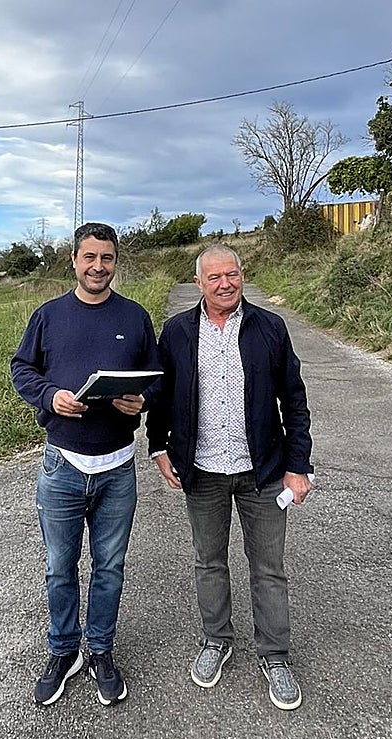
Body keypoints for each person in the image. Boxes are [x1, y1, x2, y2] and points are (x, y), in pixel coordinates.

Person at [145, 243, 314, 710]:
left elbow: (294, 402)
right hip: (202, 471)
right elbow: (161, 396)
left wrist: (299, 466)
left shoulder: (270, 328)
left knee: (268, 567)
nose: (226, 284)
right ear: (198, 283)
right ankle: (216, 640)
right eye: (215, 277)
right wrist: (158, 447)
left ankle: (274, 655)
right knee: (209, 562)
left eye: (233, 274)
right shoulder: (178, 332)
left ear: (242, 275)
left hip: (264, 473)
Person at [11, 222, 160, 707]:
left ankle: (100, 651)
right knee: (60, 567)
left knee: (110, 568)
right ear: (73, 260)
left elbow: (157, 379)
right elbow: (22, 368)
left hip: (118, 467)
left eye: (108, 258)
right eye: (90, 257)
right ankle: (62, 651)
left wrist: (141, 401)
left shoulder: (135, 317)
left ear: (117, 262)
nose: (99, 266)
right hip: (63, 466)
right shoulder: (48, 316)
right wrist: (51, 396)